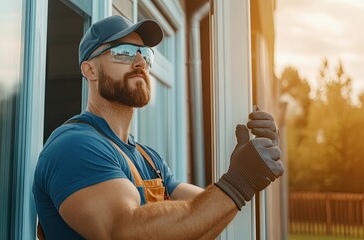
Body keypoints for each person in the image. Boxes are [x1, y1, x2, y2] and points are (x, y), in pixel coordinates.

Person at [33, 15, 284, 240]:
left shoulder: (148, 159)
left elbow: (204, 218)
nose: (140, 62)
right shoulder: (74, 146)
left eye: (146, 54)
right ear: (90, 70)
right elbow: (122, 230)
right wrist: (239, 182)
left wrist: (253, 157)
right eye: (124, 52)